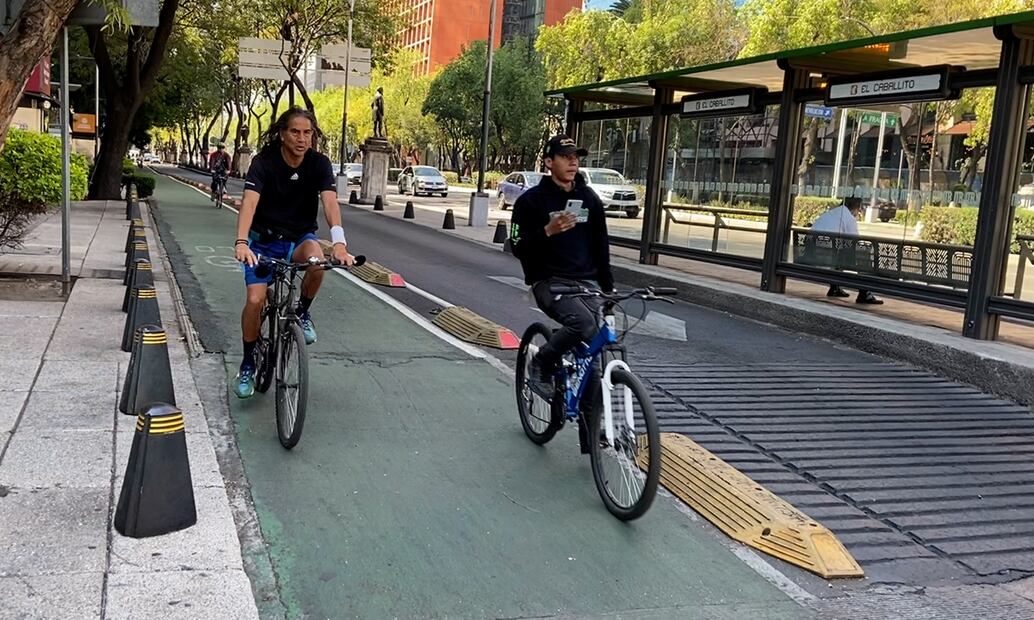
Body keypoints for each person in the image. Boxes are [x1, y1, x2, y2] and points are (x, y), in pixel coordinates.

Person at [232, 107, 356, 399]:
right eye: (295, 132)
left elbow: (330, 203)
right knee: (255, 299)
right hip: (262, 243)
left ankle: (302, 312)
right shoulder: (264, 162)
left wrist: (339, 243)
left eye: (307, 133)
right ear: (282, 134)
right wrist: (241, 242)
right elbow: (249, 203)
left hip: (298, 239)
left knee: (317, 260)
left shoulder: (319, 164)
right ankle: (248, 362)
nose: (302, 139)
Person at [510, 135, 613, 438]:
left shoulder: (590, 199)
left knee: (597, 347)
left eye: (576, 157)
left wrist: (609, 290)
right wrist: (546, 231)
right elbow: (516, 245)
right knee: (582, 323)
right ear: (548, 162)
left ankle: (590, 437)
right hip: (549, 282)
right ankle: (541, 363)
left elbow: (601, 246)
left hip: (586, 283)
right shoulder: (531, 201)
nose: (573, 162)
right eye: (565, 156)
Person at [810, 196, 882, 304]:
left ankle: (835, 287)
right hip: (829, 260)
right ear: (857, 208)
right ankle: (864, 293)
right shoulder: (848, 217)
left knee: (838, 250)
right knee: (863, 256)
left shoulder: (830, 213)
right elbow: (856, 242)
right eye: (859, 210)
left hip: (812, 256)